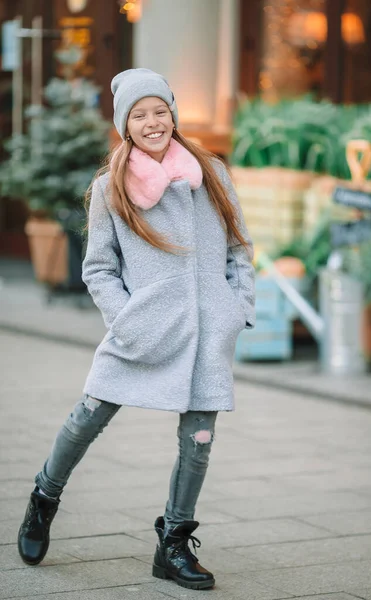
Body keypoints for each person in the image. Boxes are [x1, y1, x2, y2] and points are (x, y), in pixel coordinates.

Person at [17, 68, 255, 591]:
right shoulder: (110, 188)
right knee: (88, 417)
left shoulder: (210, 173)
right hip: (140, 329)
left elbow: (239, 249)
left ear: (173, 113)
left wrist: (234, 310)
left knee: (198, 439)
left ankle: (172, 543)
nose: (153, 122)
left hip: (205, 334)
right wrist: (126, 319)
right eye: (140, 114)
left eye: (160, 111)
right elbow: (98, 268)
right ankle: (44, 498)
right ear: (126, 125)